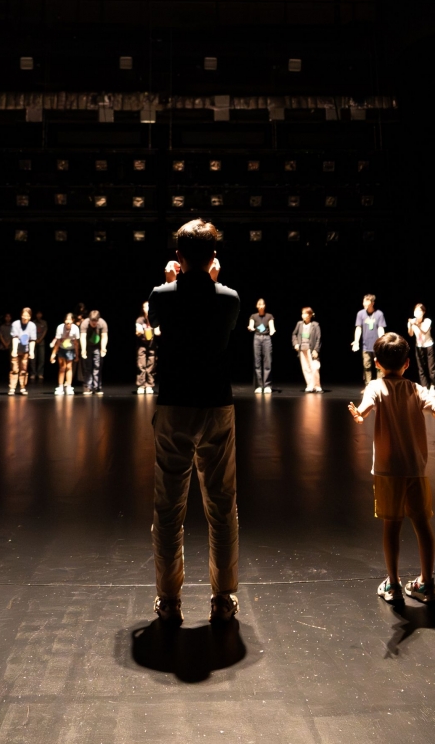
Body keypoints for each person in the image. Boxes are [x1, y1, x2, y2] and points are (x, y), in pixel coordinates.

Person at [147, 219, 242, 625]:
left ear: (178, 256)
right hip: (217, 405)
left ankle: (169, 601)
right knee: (222, 506)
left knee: (169, 507)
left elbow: (157, 321)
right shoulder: (230, 299)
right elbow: (216, 319)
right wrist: (210, 279)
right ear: (213, 257)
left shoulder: (161, 295)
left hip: (174, 406)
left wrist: (172, 280)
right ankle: (222, 598)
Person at [352, 331, 435, 604]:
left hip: (387, 471)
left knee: (391, 526)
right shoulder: (415, 389)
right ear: (407, 363)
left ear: (377, 363)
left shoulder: (375, 386)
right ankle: (426, 584)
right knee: (422, 524)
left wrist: (360, 414)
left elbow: (367, 405)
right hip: (415, 469)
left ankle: (393, 584)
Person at [352, 294, 387, 381]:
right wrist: (356, 341)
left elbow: (380, 328)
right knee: (366, 367)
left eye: (367, 303)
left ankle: (380, 384)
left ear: (372, 303)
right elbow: (358, 327)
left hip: (377, 345)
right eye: (364, 302)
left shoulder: (379, 314)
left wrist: (382, 341)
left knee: (379, 367)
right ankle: (368, 385)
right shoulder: (360, 314)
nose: (364, 304)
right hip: (366, 346)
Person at [248, 298, 277, 393]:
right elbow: (251, 325)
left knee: (268, 361)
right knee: (257, 362)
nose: (261, 306)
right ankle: (259, 386)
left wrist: (272, 331)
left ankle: (267, 385)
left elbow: (272, 327)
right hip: (257, 338)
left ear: (265, 306)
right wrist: (251, 328)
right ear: (257, 306)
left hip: (266, 338)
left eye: (262, 304)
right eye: (259, 304)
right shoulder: (253, 316)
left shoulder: (269, 316)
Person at [50, 312, 83, 394]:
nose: (68, 323)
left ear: (73, 320)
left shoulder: (75, 329)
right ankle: (60, 386)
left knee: (69, 367)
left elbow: (76, 343)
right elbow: (58, 342)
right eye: (66, 321)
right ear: (64, 320)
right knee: (62, 368)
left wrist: (77, 355)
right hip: (62, 348)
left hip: (70, 349)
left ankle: (68, 386)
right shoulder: (60, 328)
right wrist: (53, 354)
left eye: (69, 321)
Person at [292, 306, 323, 393]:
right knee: (306, 368)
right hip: (302, 349)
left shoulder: (315, 325)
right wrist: (296, 343)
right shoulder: (299, 324)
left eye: (305, 313)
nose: (303, 315)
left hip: (311, 349)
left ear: (310, 315)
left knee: (315, 367)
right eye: (302, 313)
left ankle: (317, 386)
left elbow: (319, 338)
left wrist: (316, 350)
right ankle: (310, 385)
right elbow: (294, 334)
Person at [406, 303, 435, 387]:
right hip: (419, 346)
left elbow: (424, 331)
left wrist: (416, 324)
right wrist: (410, 325)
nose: (417, 312)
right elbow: (411, 334)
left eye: (419, 311)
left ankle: (432, 386)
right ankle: (424, 387)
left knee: (431, 368)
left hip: (429, 345)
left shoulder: (427, 321)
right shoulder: (412, 321)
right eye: (415, 310)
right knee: (421, 368)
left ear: (423, 312)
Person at [9, 307, 37, 395]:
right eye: (23, 315)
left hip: (25, 351)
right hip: (17, 349)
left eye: (27, 316)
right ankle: (12, 388)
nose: (25, 317)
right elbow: (15, 337)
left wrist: (31, 351)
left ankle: (22, 387)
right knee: (14, 369)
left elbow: (32, 339)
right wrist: (14, 350)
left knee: (24, 370)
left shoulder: (32, 326)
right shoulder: (15, 324)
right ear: (21, 315)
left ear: (30, 317)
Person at [135, 301, 159, 394]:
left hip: (152, 345)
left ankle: (149, 385)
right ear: (143, 309)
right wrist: (139, 331)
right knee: (141, 365)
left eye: (149, 307)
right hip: (142, 345)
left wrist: (155, 329)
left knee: (151, 365)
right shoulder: (140, 320)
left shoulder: (154, 320)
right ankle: (141, 385)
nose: (147, 309)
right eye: (145, 307)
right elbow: (138, 330)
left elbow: (157, 332)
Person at [83, 311, 109, 394]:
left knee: (97, 366)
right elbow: (83, 337)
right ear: (89, 319)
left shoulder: (102, 323)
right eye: (92, 321)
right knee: (88, 367)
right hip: (88, 347)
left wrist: (103, 348)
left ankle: (97, 387)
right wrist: (83, 350)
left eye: (95, 321)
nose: (94, 323)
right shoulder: (85, 324)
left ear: (98, 320)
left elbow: (104, 336)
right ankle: (88, 387)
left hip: (97, 347)